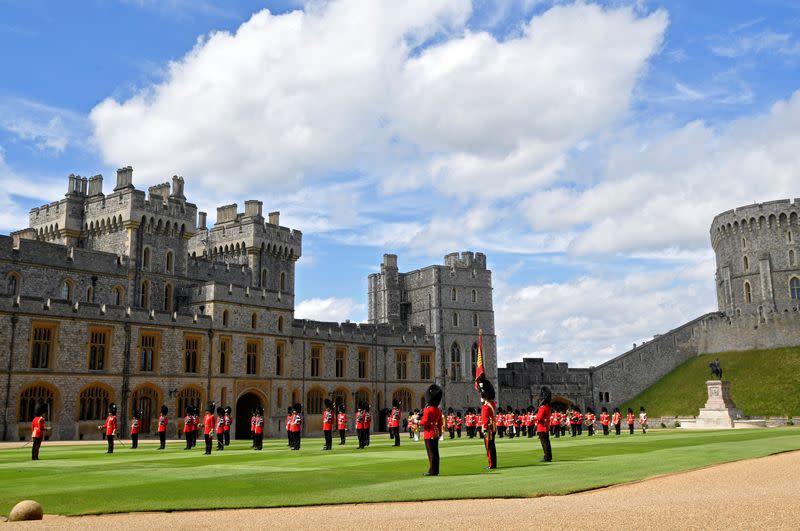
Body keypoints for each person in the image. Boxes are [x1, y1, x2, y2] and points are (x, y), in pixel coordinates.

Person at [420, 384, 444, 476]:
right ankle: (435, 470)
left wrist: (417, 422)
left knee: (431, 453)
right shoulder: (437, 410)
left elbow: (424, 421)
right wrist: (440, 432)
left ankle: (432, 471)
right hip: (436, 433)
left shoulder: (428, 410)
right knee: (435, 453)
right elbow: (440, 423)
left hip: (429, 433)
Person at [478, 376, 497, 470]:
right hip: (493, 427)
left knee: (489, 447)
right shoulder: (492, 403)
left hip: (488, 428)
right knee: (492, 445)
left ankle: (491, 464)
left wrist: (484, 429)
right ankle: (493, 463)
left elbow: (485, 419)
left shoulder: (486, 406)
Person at [535, 387, 552, 462]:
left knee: (544, 443)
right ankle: (549, 456)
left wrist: (535, 416)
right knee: (547, 442)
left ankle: (546, 457)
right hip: (546, 427)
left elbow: (539, 418)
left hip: (541, 427)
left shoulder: (542, 407)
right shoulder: (547, 407)